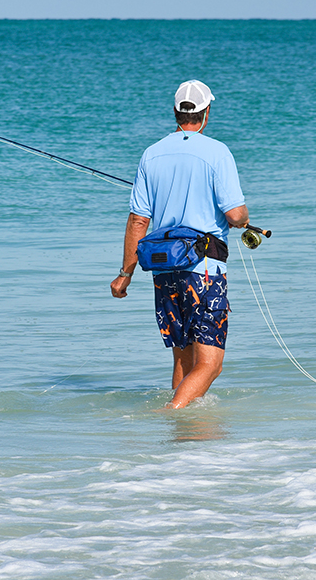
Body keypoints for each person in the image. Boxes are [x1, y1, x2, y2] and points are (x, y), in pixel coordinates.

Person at [110, 80, 249, 409]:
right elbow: (234, 214)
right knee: (210, 364)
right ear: (206, 113)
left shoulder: (151, 154)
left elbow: (138, 222)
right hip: (203, 269)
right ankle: (171, 415)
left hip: (164, 269)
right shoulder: (218, 152)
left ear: (176, 112)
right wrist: (244, 219)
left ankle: (182, 448)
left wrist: (124, 274)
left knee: (184, 362)